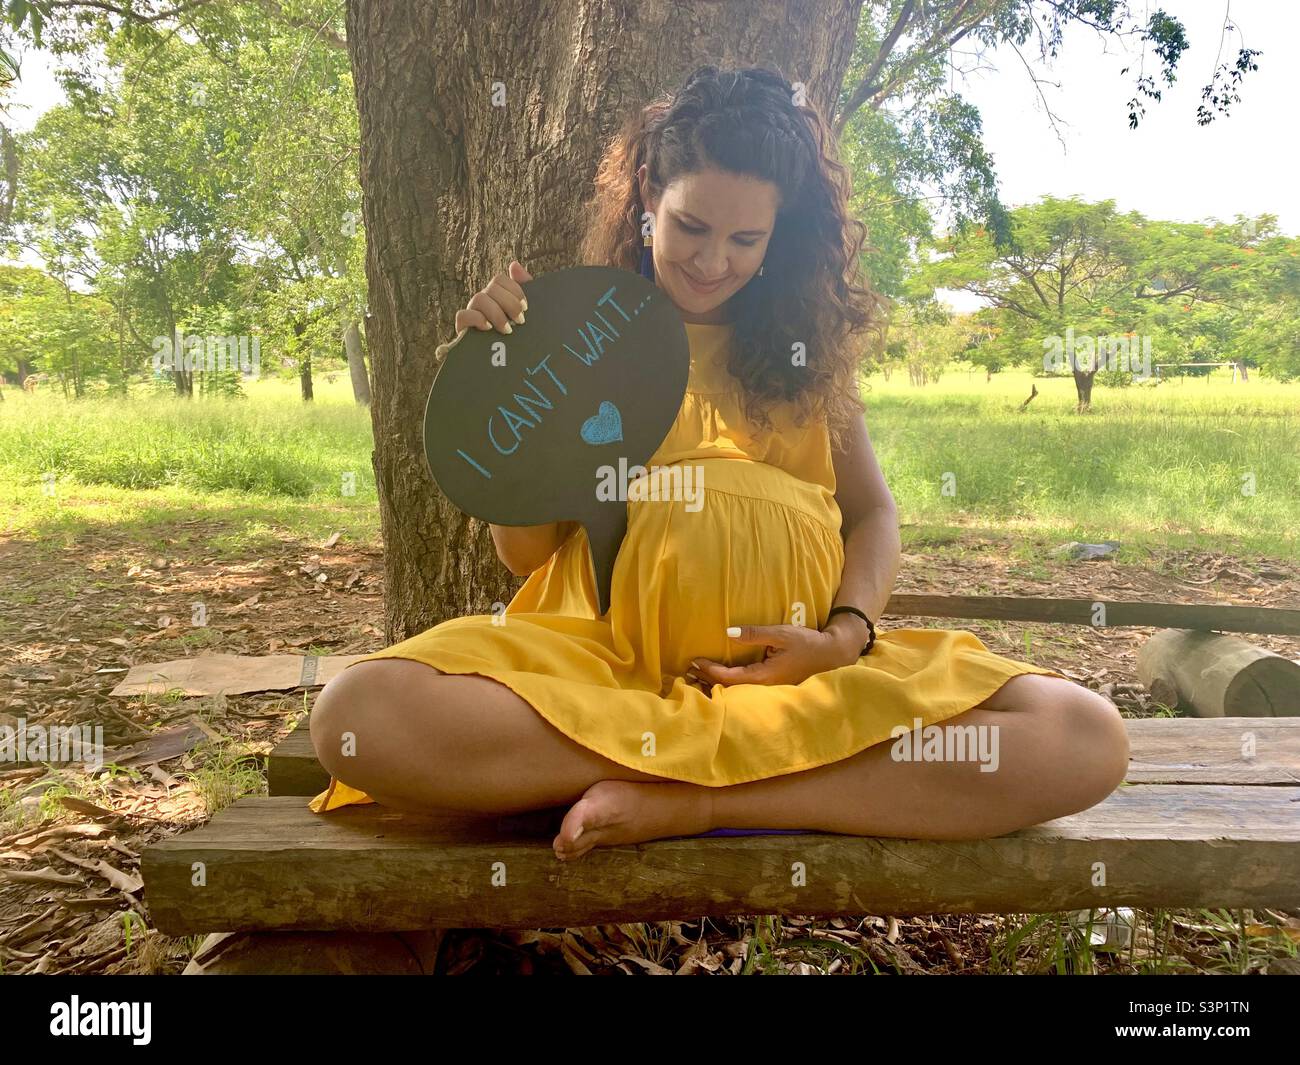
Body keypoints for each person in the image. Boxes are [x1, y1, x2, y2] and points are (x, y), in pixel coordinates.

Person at [309, 65, 1128, 861]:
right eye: (691, 227)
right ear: (645, 202)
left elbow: (872, 513)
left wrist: (845, 639)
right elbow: (526, 555)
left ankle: (699, 798)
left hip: (795, 687)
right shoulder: (581, 337)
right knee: (359, 713)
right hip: (607, 673)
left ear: (781, 235)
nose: (712, 261)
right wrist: (502, 397)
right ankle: (726, 771)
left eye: (746, 238)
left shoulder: (805, 356)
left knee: (1081, 736)